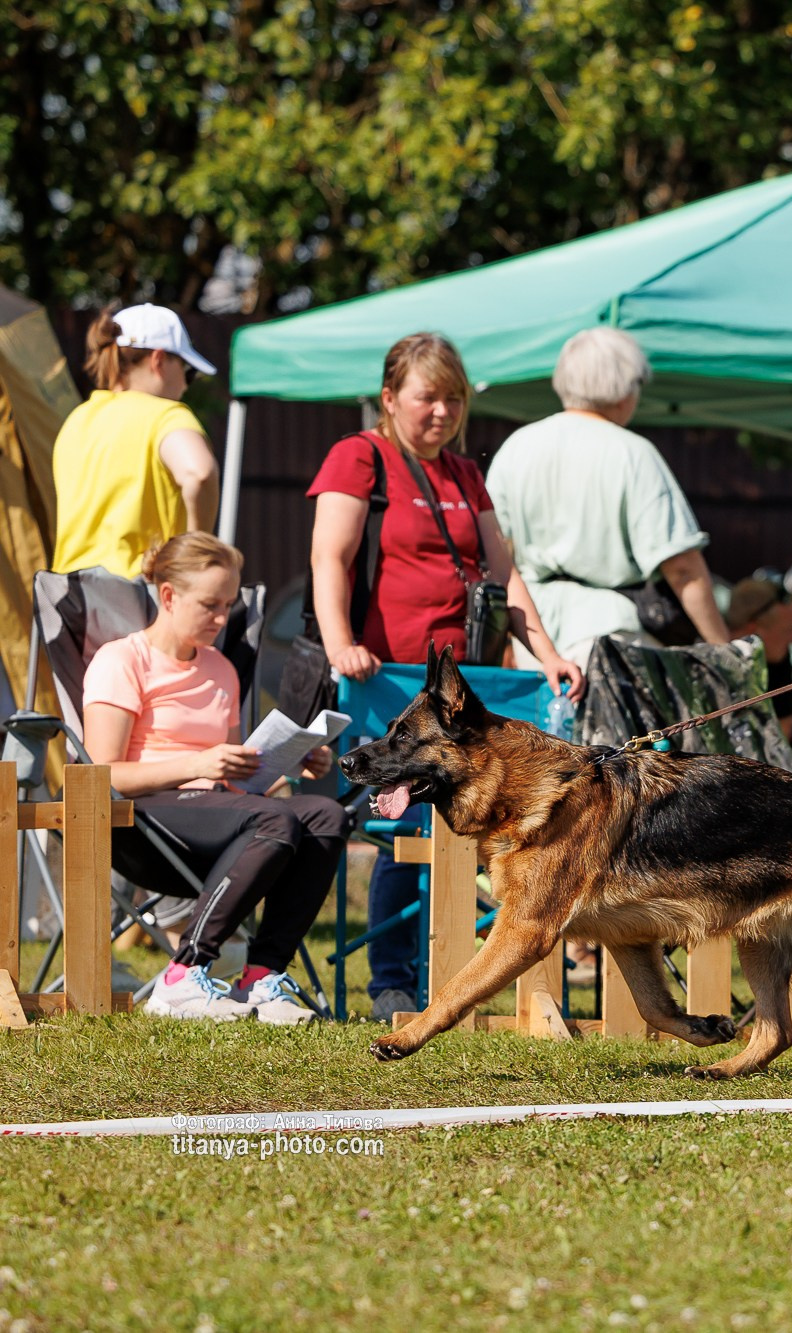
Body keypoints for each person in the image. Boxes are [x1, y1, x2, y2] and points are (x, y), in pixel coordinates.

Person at [307, 332, 583, 1020]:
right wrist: (342, 644)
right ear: (389, 397)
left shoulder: (463, 472)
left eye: (454, 398)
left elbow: (503, 573)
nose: (443, 411)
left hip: (457, 691)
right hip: (383, 679)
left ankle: (456, 975)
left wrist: (546, 653)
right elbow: (330, 557)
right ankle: (392, 980)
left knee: (470, 826)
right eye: (428, 397)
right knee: (400, 826)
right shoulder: (359, 457)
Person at [81, 534, 338, 1024]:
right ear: (169, 596)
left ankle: (260, 976)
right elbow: (99, 775)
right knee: (273, 820)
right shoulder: (122, 660)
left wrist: (289, 763)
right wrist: (197, 765)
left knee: (324, 815)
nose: (222, 620)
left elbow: (238, 780)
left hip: (219, 816)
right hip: (139, 822)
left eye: (228, 605)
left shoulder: (221, 669)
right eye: (210, 605)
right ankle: (183, 975)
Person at [486, 327, 731, 664]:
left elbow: (495, 552)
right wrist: (723, 649)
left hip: (535, 636)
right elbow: (682, 568)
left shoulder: (516, 448)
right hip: (612, 638)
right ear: (623, 390)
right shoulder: (634, 453)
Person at [51, 306, 220, 577]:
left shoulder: (77, 420)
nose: (186, 385)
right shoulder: (165, 415)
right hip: (138, 591)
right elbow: (199, 472)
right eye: (188, 372)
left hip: (68, 591)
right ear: (159, 360)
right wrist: (196, 553)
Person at [726, 572, 792, 748]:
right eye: (787, 630)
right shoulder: (716, 670)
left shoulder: (778, 658)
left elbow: (784, 729)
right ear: (752, 631)